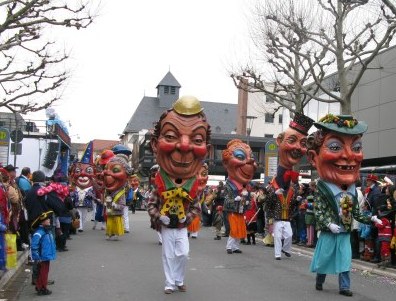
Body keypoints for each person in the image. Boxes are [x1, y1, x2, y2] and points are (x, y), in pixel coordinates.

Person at [306, 114, 380, 297]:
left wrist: (370, 218)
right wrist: (328, 224)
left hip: (345, 231)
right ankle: (320, 279)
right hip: (330, 232)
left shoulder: (353, 190)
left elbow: (355, 212)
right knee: (324, 259)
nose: (348, 155)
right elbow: (320, 211)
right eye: (335, 146)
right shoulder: (322, 190)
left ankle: (344, 286)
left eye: (356, 147)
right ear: (313, 157)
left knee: (345, 261)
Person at [147, 96, 209, 294]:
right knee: (168, 255)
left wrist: (186, 217)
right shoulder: (159, 184)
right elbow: (151, 205)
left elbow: (196, 207)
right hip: (166, 226)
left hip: (182, 226)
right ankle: (170, 283)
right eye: (171, 136)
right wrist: (160, 217)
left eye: (198, 140)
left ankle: (179, 279)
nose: (184, 146)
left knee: (183, 254)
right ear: (155, 144)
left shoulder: (193, 186)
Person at [265, 112, 314, 260]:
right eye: (292, 140)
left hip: (286, 220)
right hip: (278, 219)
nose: (298, 148)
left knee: (289, 236)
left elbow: (293, 204)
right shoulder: (274, 185)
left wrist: (298, 199)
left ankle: (286, 250)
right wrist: (270, 217)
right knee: (278, 237)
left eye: (303, 144)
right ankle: (278, 254)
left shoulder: (293, 186)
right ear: (279, 140)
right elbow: (268, 203)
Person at [222, 139, 257, 254]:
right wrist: (234, 200)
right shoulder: (229, 185)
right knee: (234, 228)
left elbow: (250, 202)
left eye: (251, 157)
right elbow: (226, 199)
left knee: (241, 229)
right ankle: (229, 246)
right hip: (233, 210)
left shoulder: (246, 187)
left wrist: (247, 203)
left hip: (241, 211)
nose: (250, 161)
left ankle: (235, 246)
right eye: (241, 157)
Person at [103, 154, 133, 240]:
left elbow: (122, 205)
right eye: (106, 169)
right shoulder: (108, 191)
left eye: (115, 170)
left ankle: (115, 234)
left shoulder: (121, 193)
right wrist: (106, 203)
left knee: (116, 223)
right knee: (109, 224)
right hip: (109, 212)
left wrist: (115, 205)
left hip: (116, 212)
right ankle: (109, 234)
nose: (107, 173)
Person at [69, 142, 95, 232]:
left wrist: (91, 195)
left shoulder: (90, 188)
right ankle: (80, 227)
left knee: (84, 215)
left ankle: (82, 226)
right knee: (78, 214)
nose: (83, 174)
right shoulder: (75, 187)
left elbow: (93, 195)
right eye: (78, 171)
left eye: (88, 171)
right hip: (77, 203)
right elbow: (72, 193)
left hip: (86, 203)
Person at [31, 211, 56, 296]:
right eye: (47, 219)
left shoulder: (46, 230)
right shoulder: (39, 232)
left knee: (44, 272)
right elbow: (34, 246)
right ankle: (42, 288)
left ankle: (40, 286)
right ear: (42, 222)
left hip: (46, 256)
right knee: (43, 273)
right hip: (42, 257)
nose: (49, 220)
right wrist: (37, 257)